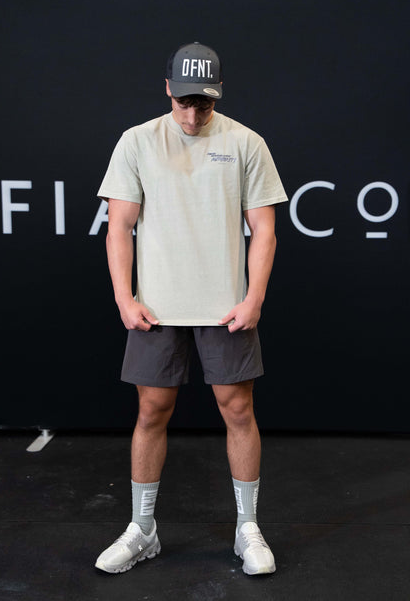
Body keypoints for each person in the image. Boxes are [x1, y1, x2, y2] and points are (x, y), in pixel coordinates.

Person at [95, 41, 288, 576]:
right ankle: (143, 530)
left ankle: (247, 528)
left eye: (203, 103)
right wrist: (124, 298)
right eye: (184, 101)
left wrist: (254, 298)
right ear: (167, 90)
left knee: (238, 411)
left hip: (225, 305)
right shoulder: (138, 141)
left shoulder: (246, 142)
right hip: (157, 307)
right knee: (151, 412)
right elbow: (119, 226)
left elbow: (265, 230)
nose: (193, 113)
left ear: (217, 95)